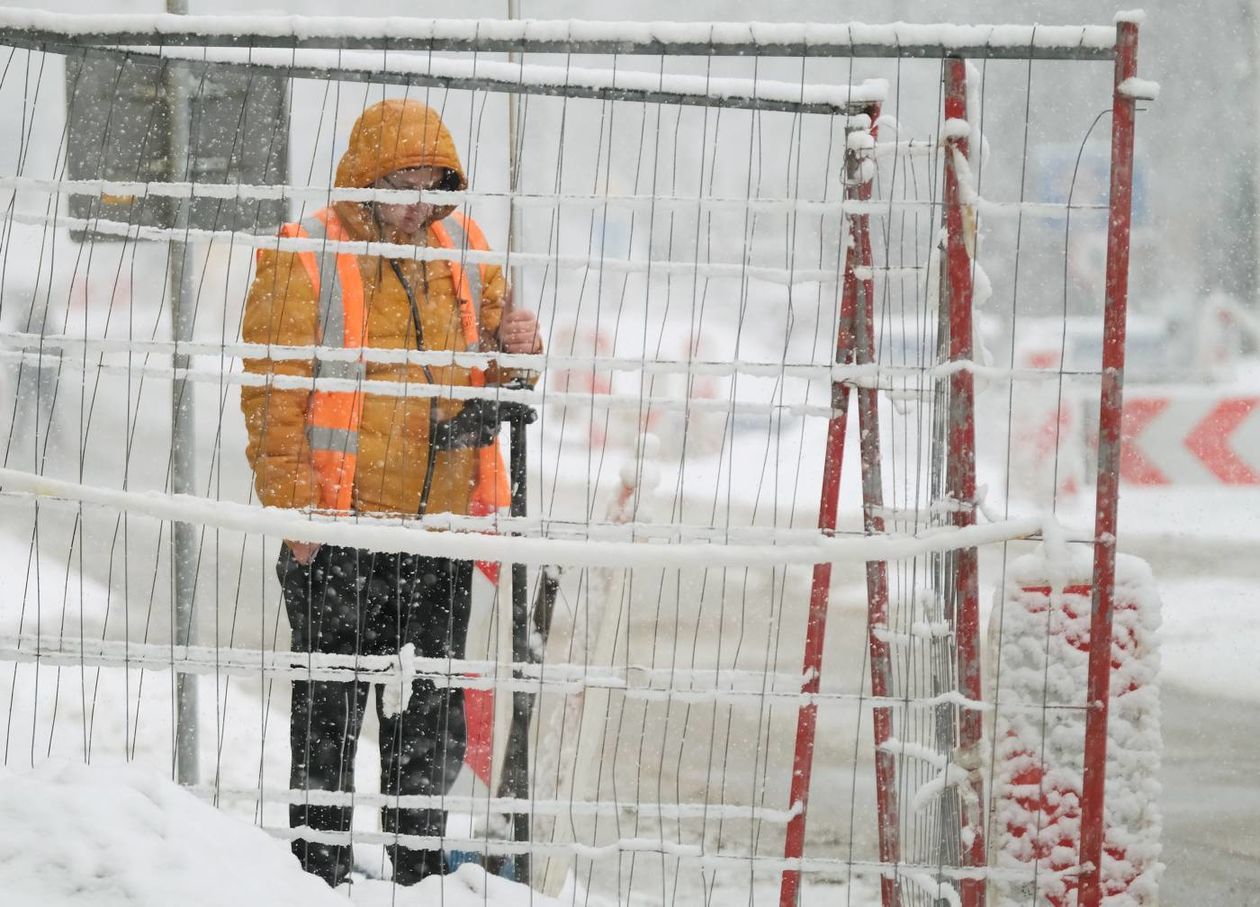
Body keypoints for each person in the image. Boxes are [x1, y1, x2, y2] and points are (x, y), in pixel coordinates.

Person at [239, 98, 542, 888]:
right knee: (329, 719)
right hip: (337, 533)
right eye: (403, 179)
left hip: (434, 535)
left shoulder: (465, 249)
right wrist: (296, 513)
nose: (417, 198)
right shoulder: (305, 252)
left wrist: (520, 351)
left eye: (431, 180)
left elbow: (503, 371)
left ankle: (422, 877)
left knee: (426, 724)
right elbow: (271, 400)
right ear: (366, 178)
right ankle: (318, 874)